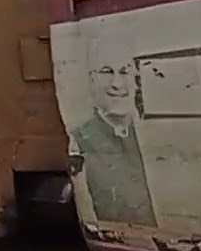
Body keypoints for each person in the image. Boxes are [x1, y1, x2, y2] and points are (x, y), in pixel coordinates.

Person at [68, 37, 158, 227]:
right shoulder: (78, 141)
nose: (117, 83)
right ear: (92, 79)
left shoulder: (154, 136)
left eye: (125, 71)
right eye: (107, 72)